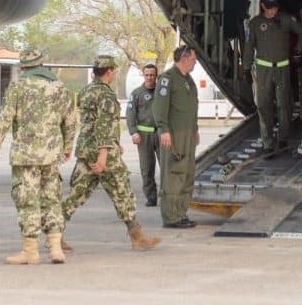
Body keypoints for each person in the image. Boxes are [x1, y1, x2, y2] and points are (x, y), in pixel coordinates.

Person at [0, 47, 76, 265]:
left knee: (28, 201)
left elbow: (4, 119)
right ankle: (55, 248)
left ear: (23, 66)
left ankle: (31, 251)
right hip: (52, 154)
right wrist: (67, 147)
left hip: (26, 155)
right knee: (52, 199)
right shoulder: (59, 87)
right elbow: (70, 121)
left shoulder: (18, 86)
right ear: (42, 64)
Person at [61, 56, 161, 251]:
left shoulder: (85, 91)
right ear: (109, 72)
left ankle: (54, 235)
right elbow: (103, 125)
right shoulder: (106, 95)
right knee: (122, 191)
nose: (114, 73)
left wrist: (114, 142)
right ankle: (137, 237)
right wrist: (104, 153)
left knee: (75, 194)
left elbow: (91, 123)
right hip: (102, 153)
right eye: (114, 70)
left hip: (86, 150)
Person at [242, 0, 302, 152]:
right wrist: (246, 68)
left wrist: (298, 50)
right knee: (264, 105)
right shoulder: (255, 23)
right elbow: (249, 46)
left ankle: (283, 138)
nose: (273, 11)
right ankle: (268, 143)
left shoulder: (285, 20)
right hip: (263, 70)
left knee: (284, 104)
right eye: (270, 8)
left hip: (282, 68)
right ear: (263, 6)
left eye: (275, 8)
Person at [153, 45, 200, 228]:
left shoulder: (188, 80)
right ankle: (171, 217)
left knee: (187, 174)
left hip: (187, 134)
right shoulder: (168, 79)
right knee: (174, 174)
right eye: (194, 59)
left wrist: (195, 130)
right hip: (173, 135)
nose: (195, 62)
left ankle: (180, 213)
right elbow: (159, 108)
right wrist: (163, 130)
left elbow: (191, 108)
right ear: (184, 58)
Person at [126, 63, 160, 206]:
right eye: (147, 75)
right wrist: (134, 132)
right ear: (143, 75)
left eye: (152, 75)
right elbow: (130, 114)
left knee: (166, 167)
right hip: (143, 136)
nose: (149, 77)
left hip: (161, 134)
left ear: (156, 75)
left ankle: (167, 196)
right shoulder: (136, 93)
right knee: (147, 168)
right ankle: (151, 197)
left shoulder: (163, 93)